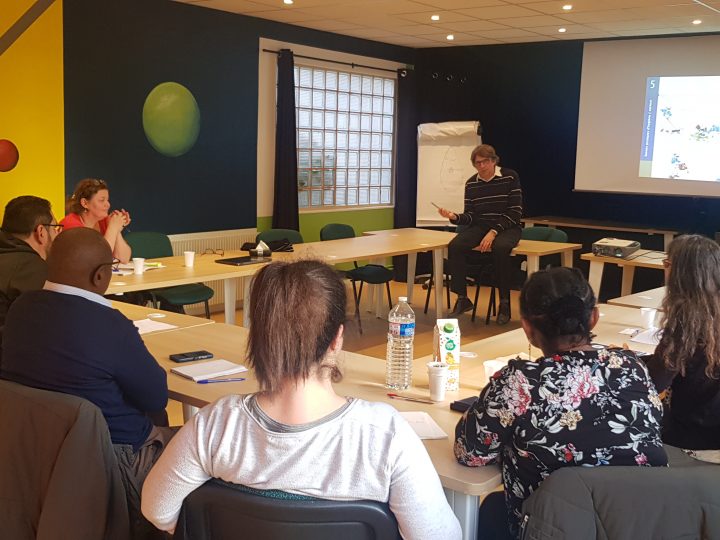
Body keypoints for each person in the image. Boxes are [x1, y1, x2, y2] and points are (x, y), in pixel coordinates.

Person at [141, 259, 462, 539]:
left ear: (258, 337)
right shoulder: (386, 435)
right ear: (337, 338)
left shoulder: (215, 425)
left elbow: (157, 510)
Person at [454, 267, 667, 539]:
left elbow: (470, 453)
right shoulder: (632, 367)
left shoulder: (519, 382)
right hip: (643, 526)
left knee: (492, 510)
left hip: (553, 529)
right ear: (594, 317)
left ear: (527, 327)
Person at [0, 227, 174, 527]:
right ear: (100, 276)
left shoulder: (20, 310)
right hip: (115, 458)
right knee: (200, 443)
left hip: (38, 452)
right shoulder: (109, 324)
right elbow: (156, 395)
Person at [644, 234, 720, 463]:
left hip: (694, 441)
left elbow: (654, 383)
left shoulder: (687, 322)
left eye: (667, 264)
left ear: (681, 274)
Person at [437, 144, 522, 324]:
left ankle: (504, 303)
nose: (481, 166)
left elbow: (515, 211)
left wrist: (494, 232)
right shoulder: (471, 183)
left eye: (485, 162)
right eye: (477, 163)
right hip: (481, 225)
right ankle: (462, 298)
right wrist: (454, 217)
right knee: (455, 246)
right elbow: (470, 216)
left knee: (500, 248)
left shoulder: (509, 177)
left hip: (508, 226)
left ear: (493, 161)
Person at [0, 196, 61, 353]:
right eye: (55, 228)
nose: (57, 234)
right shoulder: (33, 268)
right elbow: (47, 326)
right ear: (41, 232)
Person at [61, 178, 132, 262]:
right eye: (102, 200)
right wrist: (113, 227)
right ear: (85, 203)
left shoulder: (102, 221)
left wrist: (116, 230)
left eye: (107, 200)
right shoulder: (71, 225)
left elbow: (124, 259)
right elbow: (97, 259)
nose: (108, 205)